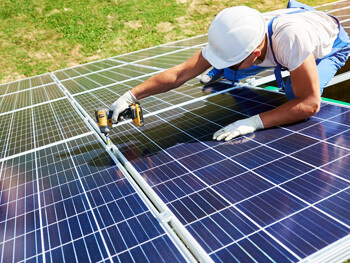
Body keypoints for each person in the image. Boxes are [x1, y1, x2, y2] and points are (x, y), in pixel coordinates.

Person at [109, 0, 350, 142]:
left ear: (255, 55)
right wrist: (131, 96)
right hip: (291, 31)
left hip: (330, 45)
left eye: (229, 60)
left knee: (294, 96)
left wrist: (254, 122)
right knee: (233, 74)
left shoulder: (292, 41)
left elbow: (309, 104)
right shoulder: (239, 35)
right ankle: (237, 70)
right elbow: (180, 73)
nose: (222, 63)